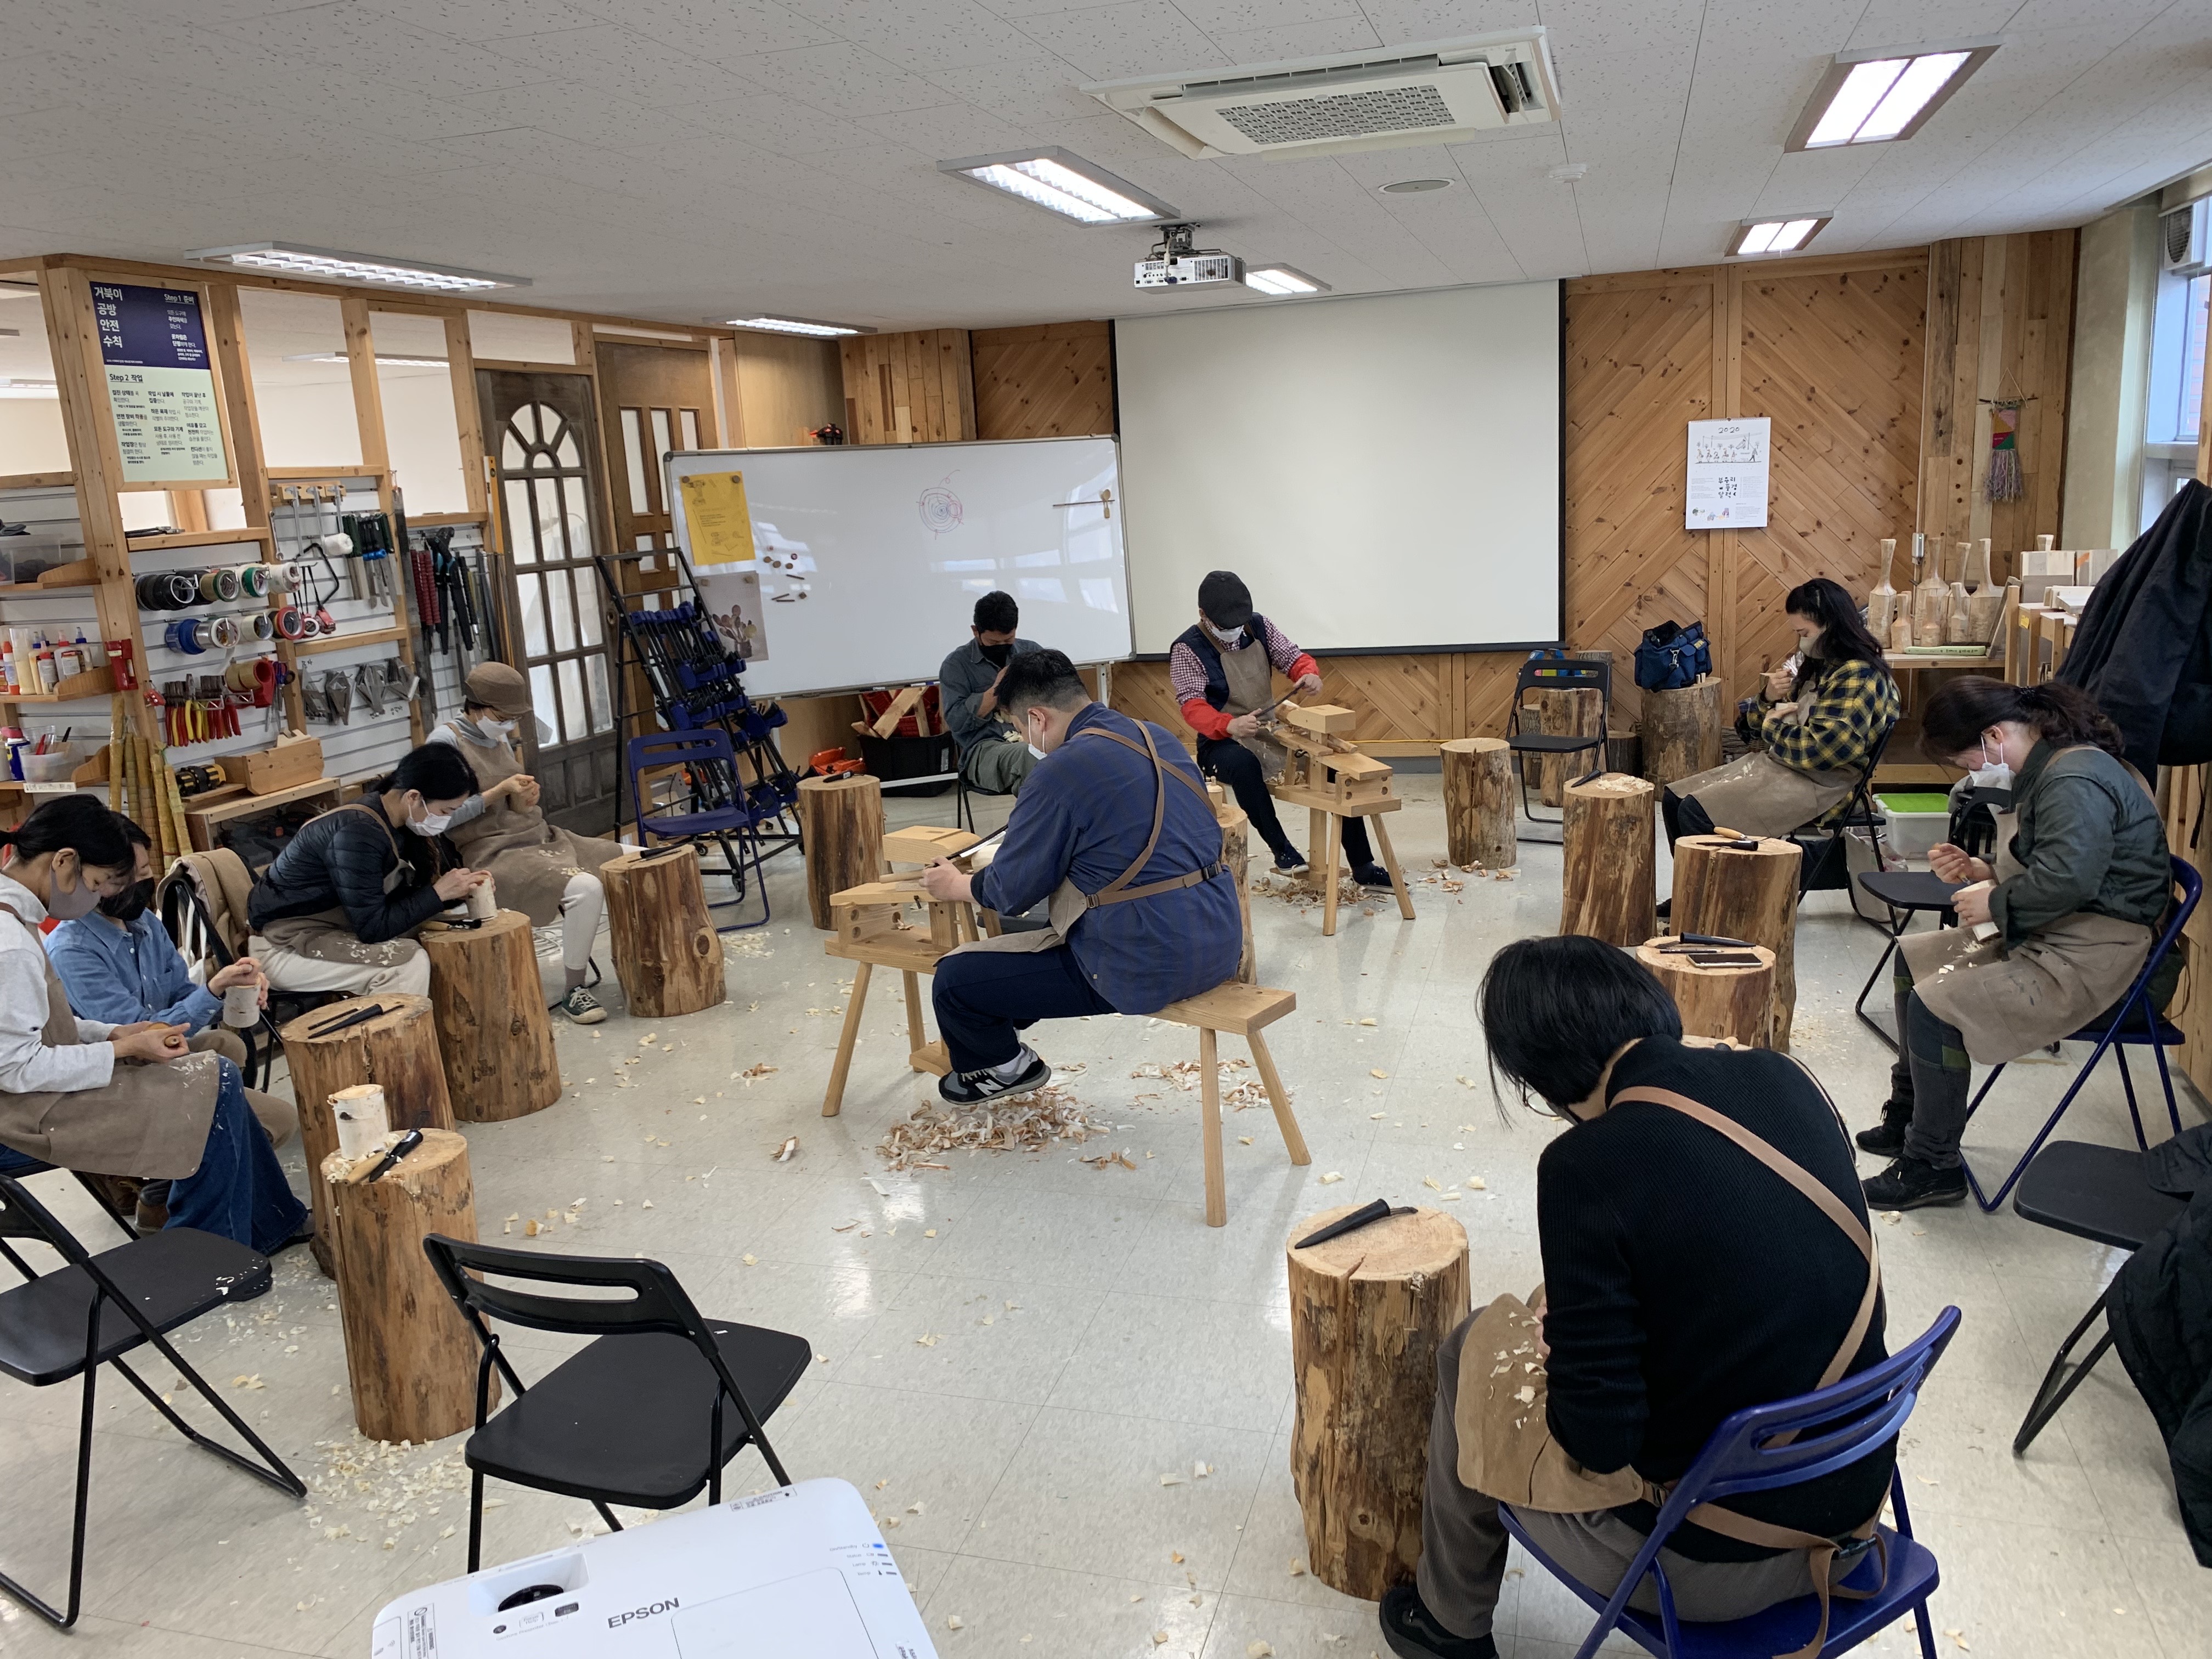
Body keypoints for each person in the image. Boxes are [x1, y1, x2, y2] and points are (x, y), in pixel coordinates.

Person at [1384, 935, 1892, 1659]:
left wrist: (1565, 1364)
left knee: (1472, 1348)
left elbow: (1599, 1441)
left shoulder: (1587, 1166)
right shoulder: (1787, 1077)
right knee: (1550, 1300)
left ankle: (1448, 1625)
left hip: (1716, 1563)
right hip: (1854, 1517)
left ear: (1541, 1080)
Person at [1859, 677, 2173, 1210]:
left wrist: (1997, 906)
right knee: (1914, 962)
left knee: (1937, 1007)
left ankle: (1932, 1164)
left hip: (2098, 954)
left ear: (1994, 736)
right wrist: (1982, 869)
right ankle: (1911, 1115)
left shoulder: (2075, 777)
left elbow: (2071, 879)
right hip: (2060, 930)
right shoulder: (2050, 769)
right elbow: (2057, 865)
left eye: (1967, 761)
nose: (1972, 773)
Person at [918, 649, 1240, 1102]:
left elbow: (1010, 892)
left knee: (955, 980)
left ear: (1037, 717)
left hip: (1146, 965)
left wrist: (957, 885)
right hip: (1220, 940)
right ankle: (1007, 1025)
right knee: (1026, 949)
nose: (1021, 738)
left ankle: (1005, 1069)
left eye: (1017, 728)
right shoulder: (1158, 736)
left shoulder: (1059, 772)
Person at [0, 796, 308, 1258]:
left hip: (40, 1092)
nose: (101, 896)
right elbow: (17, 1068)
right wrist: (121, 1052)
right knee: (212, 1080)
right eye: (98, 883)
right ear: (64, 861)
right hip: (25, 1117)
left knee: (211, 1070)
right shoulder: (14, 944)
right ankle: (208, 1255)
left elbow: (38, 1025)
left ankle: (269, 1223)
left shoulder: (19, 921)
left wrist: (110, 1034)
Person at [47, 815, 297, 1153]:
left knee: (227, 1045)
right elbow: (143, 1036)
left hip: (157, 1051)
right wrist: (213, 991)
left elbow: (181, 995)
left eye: (146, 873)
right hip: (122, 1068)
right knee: (277, 1121)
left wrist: (236, 988)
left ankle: (198, 1159)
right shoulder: (72, 950)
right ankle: (189, 1165)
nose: (141, 883)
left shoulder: (144, 922)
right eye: (128, 877)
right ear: (97, 880)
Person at [428, 662, 623, 1023]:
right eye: (503, 717)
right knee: (585, 888)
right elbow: (438, 819)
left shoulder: (497, 736)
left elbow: (512, 800)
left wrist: (524, 796)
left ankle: (639, 961)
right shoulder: (446, 743)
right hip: (493, 853)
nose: (510, 726)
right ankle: (574, 990)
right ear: (478, 707)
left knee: (631, 861)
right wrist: (497, 792)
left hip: (539, 836)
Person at [1170, 569, 1391, 887]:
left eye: (1238, 623)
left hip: (1268, 731)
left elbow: (1292, 656)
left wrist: (1308, 672)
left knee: (1332, 766)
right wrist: (1229, 724)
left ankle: (1363, 865)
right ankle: (1283, 851)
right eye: (1226, 626)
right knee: (1244, 766)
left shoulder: (1258, 625)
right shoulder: (1187, 648)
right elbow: (1192, 706)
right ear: (1203, 614)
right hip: (1221, 742)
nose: (1235, 630)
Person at [1660, 577, 1900, 849]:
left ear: (1832, 627)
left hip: (1826, 785)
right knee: (1674, 800)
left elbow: (1823, 751)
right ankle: (1693, 889)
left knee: (1696, 814)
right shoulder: (1819, 665)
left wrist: (1773, 728)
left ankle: (1724, 890)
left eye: (1805, 634)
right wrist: (1767, 698)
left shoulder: (1857, 674)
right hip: (1785, 766)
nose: (1802, 642)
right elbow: (1747, 733)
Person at [247, 744, 487, 1001]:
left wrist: (457, 892)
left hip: (329, 930)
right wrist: (438, 894)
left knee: (459, 923)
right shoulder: (358, 834)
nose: (445, 821)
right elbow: (373, 928)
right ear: (414, 797)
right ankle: (395, 1041)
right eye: (444, 812)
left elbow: (394, 901)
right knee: (405, 965)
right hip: (286, 946)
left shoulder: (399, 823)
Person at [940, 590, 1043, 798]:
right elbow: (956, 723)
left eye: (1008, 641)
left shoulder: (1031, 652)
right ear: (975, 631)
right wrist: (997, 690)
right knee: (1032, 758)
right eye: (993, 643)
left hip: (1035, 736)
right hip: (984, 749)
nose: (1001, 647)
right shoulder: (956, 665)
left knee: (1077, 753)